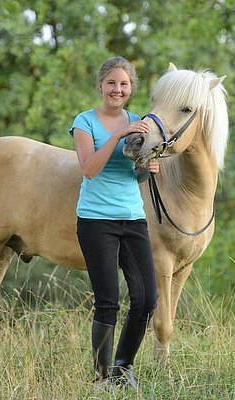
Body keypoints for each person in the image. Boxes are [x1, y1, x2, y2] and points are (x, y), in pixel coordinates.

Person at [69, 56, 159, 389]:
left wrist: (148, 169)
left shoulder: (140, 122)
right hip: (95, 221)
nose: (117, 89)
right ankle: (101, 378)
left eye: (123, 84)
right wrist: (118, 134)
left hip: (133, 219)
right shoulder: (85, 122)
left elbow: (135, 172)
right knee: (108, 301)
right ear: (101, 86)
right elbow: (89, 168)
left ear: (130, 88)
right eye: (111, 83)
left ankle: (123, 368)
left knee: (148, 298)